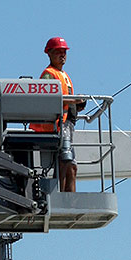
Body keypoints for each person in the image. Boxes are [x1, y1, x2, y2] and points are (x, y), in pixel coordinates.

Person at [39, 36, 87, 194]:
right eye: (58, 52)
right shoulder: (49, 74)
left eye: (64, 52)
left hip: (67, 124)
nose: (62, 55)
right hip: (58, 125)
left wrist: (76, 105)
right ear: (49, 54)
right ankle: (60, 196)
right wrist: (72, 100)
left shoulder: (64, 75)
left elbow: (65, 101)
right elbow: (48, 100)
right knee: (65, 162)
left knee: (71, 167)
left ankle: (69, 198)